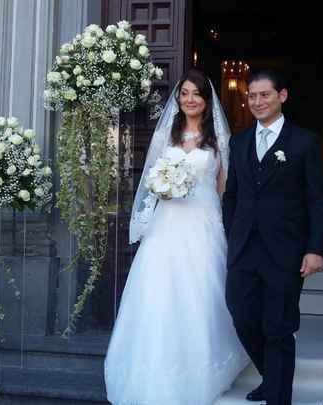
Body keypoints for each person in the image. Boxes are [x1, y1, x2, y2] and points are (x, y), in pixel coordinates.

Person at [104, 69, 249, 405]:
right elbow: (151, 180)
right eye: (184, 93)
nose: (190, 99)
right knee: (159, 294)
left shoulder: (219, 141)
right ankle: (154, 369)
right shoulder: (165, 137)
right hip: (166, 226)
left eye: (196, 93)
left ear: (207, 100)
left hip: (203, 223)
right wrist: (161, 191)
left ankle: (204, 366)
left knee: (201, 293)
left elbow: (225, 189)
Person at [222, 70, 323, 405]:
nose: (257, 102)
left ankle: (278, 397)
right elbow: (232, 196)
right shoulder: (238, 142)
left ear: (281, 96)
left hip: (285, 251)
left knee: (278, 327)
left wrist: (315, 249)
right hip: (244, 249)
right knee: (241, 315)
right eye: (251, 96)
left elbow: (317, 199)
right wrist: (232, 232)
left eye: (264, 95)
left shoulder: (304, 141)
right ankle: (273, 378)